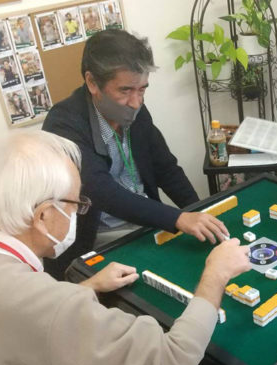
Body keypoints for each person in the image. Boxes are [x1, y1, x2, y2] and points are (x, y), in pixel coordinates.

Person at [0, 130, 249, 365]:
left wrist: (86, 288)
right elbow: (172, 361)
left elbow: (24, 321)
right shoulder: (55, 306)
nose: (78, 213)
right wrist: (216, 274)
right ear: (43, 216)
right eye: (76, 205)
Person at [43, 29, 228, 279]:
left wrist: (200, 211)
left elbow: (166, 169)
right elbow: (101, 191)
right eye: (125, 90)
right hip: (98, 238)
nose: (136, 102)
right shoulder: (63, 124)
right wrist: (178, 218)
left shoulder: (135, 110)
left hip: (146, 223)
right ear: (92, 83)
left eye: (142, 90)